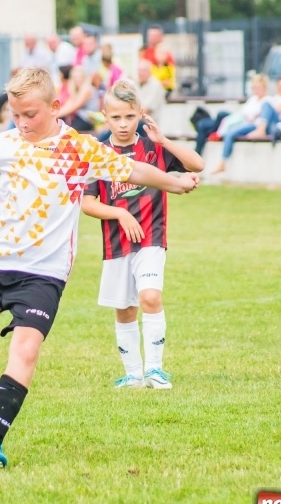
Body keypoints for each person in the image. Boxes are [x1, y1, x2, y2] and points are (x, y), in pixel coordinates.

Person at [0, 67, 198, 469]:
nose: (22, 123)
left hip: (45, 274)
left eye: (30, 115)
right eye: (15, 115)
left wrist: (173, 182)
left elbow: (134, 170)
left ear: (55, 107)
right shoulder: (6, 145)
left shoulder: (80, 149)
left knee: (26, 348)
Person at [82, 80, 204, 389]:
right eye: (116, 117)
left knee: (150, 296)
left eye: (129, 117)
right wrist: (120, 213)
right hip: (116, 244)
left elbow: (197, 165)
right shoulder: (99, 153)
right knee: (125, 309)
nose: (123, 124)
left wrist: (164, 140)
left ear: (140, 113)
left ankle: (155, 370)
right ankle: (134, 374)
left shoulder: (153, 147)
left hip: (152, 236)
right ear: (104, 116)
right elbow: (87, 203)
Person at [211, 73, 269, 174]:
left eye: (258, 87)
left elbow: (260, 117)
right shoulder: (253, 99)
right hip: (244, 122)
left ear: (264, 87)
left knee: (231, 132)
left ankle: (223, 162)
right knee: (223, 118)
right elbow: (243, 112)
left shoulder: (267, 101)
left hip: (254, 125)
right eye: (254, 87)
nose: (255, 90)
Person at [57, 65, 102, 132]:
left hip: (87, 120)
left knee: (67, 131)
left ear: (85, 77)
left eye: (80, 76)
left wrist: (55, 115)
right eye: (76, 77)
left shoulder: (87, 89)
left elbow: (74, 106)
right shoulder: (78, 90)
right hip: (80, 118)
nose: (78, 79)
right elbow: (69, 104)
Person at [140, 25, 176, 98]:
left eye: (155, 36)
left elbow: (169, 77)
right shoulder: (146, 52)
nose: (152, 38)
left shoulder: (166, 53)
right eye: (151, 36)